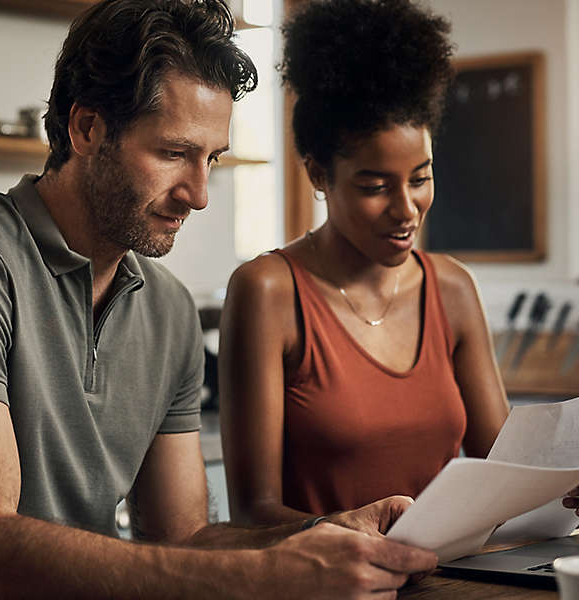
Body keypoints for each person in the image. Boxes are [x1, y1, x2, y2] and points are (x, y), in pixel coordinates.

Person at [0, 0, 438, 598]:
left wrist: (326, 533)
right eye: (173, 153)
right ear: (87, 129)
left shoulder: (167, 309)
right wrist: (270, 577)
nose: (199, 194)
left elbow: (182, 537)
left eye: (211, 159)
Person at [219, 0, 516, 526]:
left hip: (450, 580)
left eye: (420, 179)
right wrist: (348, 531)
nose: (406, 210)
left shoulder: (451, 288)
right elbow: (252, 514)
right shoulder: (268, 292)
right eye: (375, 187)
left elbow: (508, 477)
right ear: (317, 174)